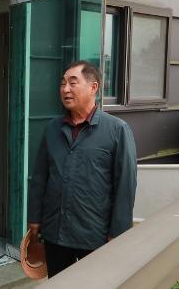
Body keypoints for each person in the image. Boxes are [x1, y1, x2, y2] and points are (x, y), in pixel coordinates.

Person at [28, 61, 137, 278]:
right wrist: (35, 218)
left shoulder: (117, 130)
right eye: (62, 83)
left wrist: (118, 232)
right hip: (55, 233)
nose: (65, 89)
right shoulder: (52, 129)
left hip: (95, 236)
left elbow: (125, 185)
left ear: (93, 87)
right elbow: (40, 177)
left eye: (72, 82)